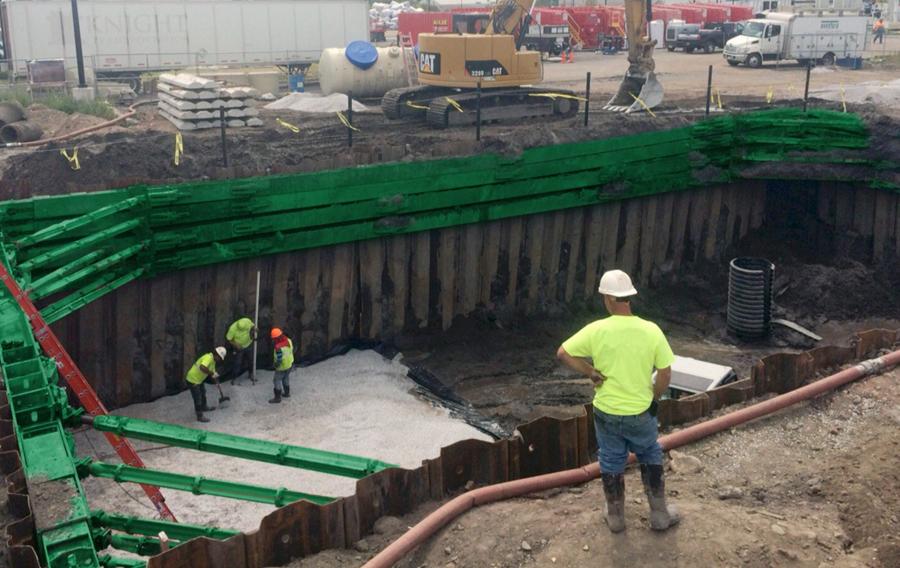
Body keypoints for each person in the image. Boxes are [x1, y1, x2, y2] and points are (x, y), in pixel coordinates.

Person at [556, 269, 679, 533]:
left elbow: (563, 353)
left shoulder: (597, 330)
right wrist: (654, 396)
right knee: (649, 453)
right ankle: (659, 514)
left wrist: (590, 372)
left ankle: (615, 517)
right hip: (640, 411)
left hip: (606, 412)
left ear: (609, 299)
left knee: (611, 459)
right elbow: (666, 372)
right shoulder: (651, 331)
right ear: (628, 297)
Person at [186, 346, 227, 422]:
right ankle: (199, 416)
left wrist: (216, 380)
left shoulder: (213, 362)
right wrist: (211, 373)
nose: (219, 360)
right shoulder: (208, 357)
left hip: (199, 379)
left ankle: (204, 407)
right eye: (220, 358)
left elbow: (213, 374)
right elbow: (202, 367)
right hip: (192, 379)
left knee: (203, 392)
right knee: (197, 397)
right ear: (217, 355)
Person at [226, 317, 258, 383]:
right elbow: (229, 339)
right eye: (241, 330)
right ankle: (234, 377)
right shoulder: (232, 329)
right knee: (237, 362)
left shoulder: (247, 321)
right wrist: (235, 345)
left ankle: (251, 374)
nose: (243, 331)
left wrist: (255, 329)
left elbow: (253, 326)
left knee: (251, 360)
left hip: (248, 343)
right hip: (239, 347)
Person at [269, 327, 295, 404]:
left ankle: (277, 398)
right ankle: (287, 393)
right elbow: (291, 351)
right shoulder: (289, 340)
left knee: (276, 380)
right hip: (290, 364)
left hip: (281, 367)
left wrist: (275, 365)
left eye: (273, 338)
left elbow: (279, 359)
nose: (273, 340)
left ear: (276, 338)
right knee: (286, 378)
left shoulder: (278, 347)